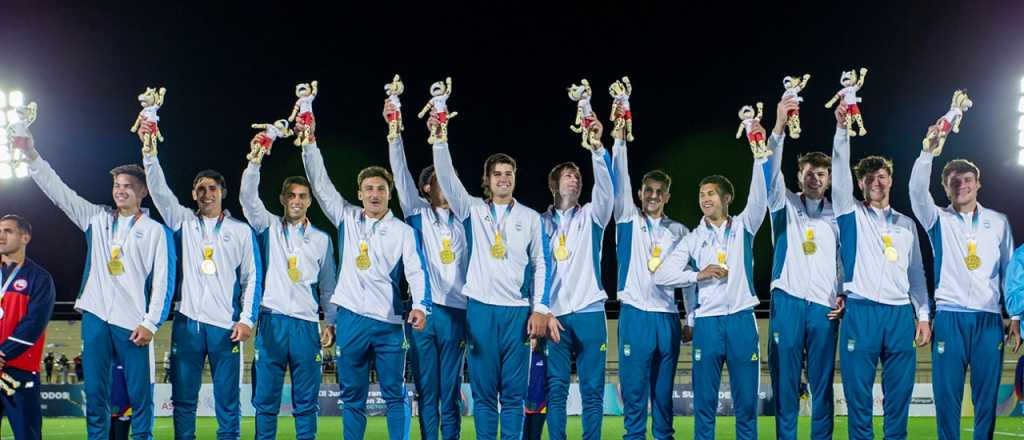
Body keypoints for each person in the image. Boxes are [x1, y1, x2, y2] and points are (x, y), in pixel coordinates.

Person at [20, 131, 175, 440]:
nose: (121, 191)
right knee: (95, 396)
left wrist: (151, 323)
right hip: (94, 318)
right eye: (117, 186)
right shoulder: (96, 218)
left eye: (128, 187)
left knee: (140, 397)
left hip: (133, 323)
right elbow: (58, 191)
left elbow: (164, 281)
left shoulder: (157, 231)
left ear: (142, 191)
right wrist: (31, 155)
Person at [302, 133, 430, 440]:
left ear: (389, 194)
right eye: (369, 189)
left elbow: (416, 270)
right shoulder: (346, 217)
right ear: (360, 193)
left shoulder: (401, 231)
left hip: (388, 323)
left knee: (395, 394)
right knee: (352, 398)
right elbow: (320, 184)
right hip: (351, 319)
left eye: (381, 189)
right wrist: (309, 143)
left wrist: (421, 306)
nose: (375, 194)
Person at [141, 130, 262, 440]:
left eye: (212, 188)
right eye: (200, 189)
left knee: (228, 401)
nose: (206, 194)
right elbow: (158, 190)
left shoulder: (241, 231)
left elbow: (252, 279)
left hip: (226, 328)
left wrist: (247, 319)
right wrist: (149, 153)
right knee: (183, 399)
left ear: (223, 192)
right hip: (188, 323)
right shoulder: (182, 221)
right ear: (193, 194)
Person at [432, 127, 551, 440]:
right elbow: (445, 176)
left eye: (508, 174)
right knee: (484, 396)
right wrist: (440, 136)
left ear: (515, 178)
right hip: (481, 310)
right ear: (487, 178)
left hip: (516, 313)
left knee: (513, 396)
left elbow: (542, 264)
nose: (503, 179)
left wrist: (540, 308)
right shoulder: (472, 209)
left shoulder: (531, 217)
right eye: (497, 174)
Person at [653, 136, 769, 440]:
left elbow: (760, 196)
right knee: (705, 404)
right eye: (701, 194)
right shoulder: (693, 238)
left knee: (746, 405)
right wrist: (697, 276)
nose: (705, 199)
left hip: (743, 320)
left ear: (727, 198)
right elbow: (662, 275)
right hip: (707, 324)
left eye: (711, 194)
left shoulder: (745, 226)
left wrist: (759, 154)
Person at [910, 124, 1020, 439]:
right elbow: (917, 193)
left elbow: (1010, 274)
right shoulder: (937, 220)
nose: (962, 185)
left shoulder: (997, 222)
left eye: (967, 180)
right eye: (954, 182)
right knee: (947, 399)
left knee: (985, 399)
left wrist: (1014, 315)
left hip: (988, 319)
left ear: (978, 184)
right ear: (945, 187)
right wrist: (926, 152)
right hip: (950, 317)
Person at [831, 105, 931, 440]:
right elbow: (840, 175)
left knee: (899, 394)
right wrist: (842, 132)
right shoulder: (850, 214)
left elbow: (916, 274)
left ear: (891, 179)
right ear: (860, 184)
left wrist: (924, 316)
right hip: (861, 311)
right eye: (869, 178)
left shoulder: (906, 224)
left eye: (882, 176)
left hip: (900, 315)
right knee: (858, 396)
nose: (876, 182)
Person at [240, 143, 337, 440]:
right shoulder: (267, 226)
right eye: (291, 195)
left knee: (307, 403)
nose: (296, 201)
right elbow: (247, 198)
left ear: (310, 201)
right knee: (266, 402)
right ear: (282, 199)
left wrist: (330, 322)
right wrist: (254, 162)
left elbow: (328, 286)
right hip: (271, 322)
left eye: (302, 196)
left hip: (307, 326)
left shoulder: (321, 239)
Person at [386, 104, 468, 440]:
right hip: (425, 311)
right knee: (427, 393)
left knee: (450, 394)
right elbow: (400, 172)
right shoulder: (415, 214)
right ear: (424, 189)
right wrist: (395, 132)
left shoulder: (467, 217)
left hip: (459, 312)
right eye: (439, 182)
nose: (447, 188)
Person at [764, 96, 843, 440]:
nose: (815, 178)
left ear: (828, 180)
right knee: (785, 383)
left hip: (825, 306)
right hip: (789, 300)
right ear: (798, 176)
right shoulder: (783, 203)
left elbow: (845, 260)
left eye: (821, 174)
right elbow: (768, 170)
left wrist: (844, 294)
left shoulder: (840, 213)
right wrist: (779, 126)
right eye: (808, 173)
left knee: (823, 384)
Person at [611, 126, 691, 440]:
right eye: (648, 190)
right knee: (633, 394)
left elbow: (690, 283)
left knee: (662, 394)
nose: (654, 196)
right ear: (640, 193)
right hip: (634, 315)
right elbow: (619, 180)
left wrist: (691, 318)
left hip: (668, 318)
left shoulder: (681, 231)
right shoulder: (627, 220)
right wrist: (619, 141)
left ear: (668, 195)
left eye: (660, 191)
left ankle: (663, 436)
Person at [540, 122, 614, 440]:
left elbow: (607, 189)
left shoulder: (593, 216)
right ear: (554, 184)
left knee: (592, 390)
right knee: (555, 389)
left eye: (578, 177)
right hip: (553, 315)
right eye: (569, 175)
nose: (575, 179)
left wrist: (597, 149)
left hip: (589, 311)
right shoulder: (537, 223)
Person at [0, 214, 56, 440]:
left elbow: (34, 323)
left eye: (8, 231)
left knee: (27, 435)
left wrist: (2, 353)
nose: (1, 235)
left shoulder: (40, 278)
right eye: (0, 230)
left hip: (19, 370)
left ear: (25, 237)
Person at [523, 338, 547, 440]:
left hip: (540, 406)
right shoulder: (521, 358)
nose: (532, 341)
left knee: (535, 437)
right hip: (523, 405)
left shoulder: (544, 358)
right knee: (523, 437)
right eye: (530, 338)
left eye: (534, 338)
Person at [110, 362, 132, 440]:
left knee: (121, 437)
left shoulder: (126, 361)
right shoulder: (104, 363)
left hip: (124, 410)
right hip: (109, 409)